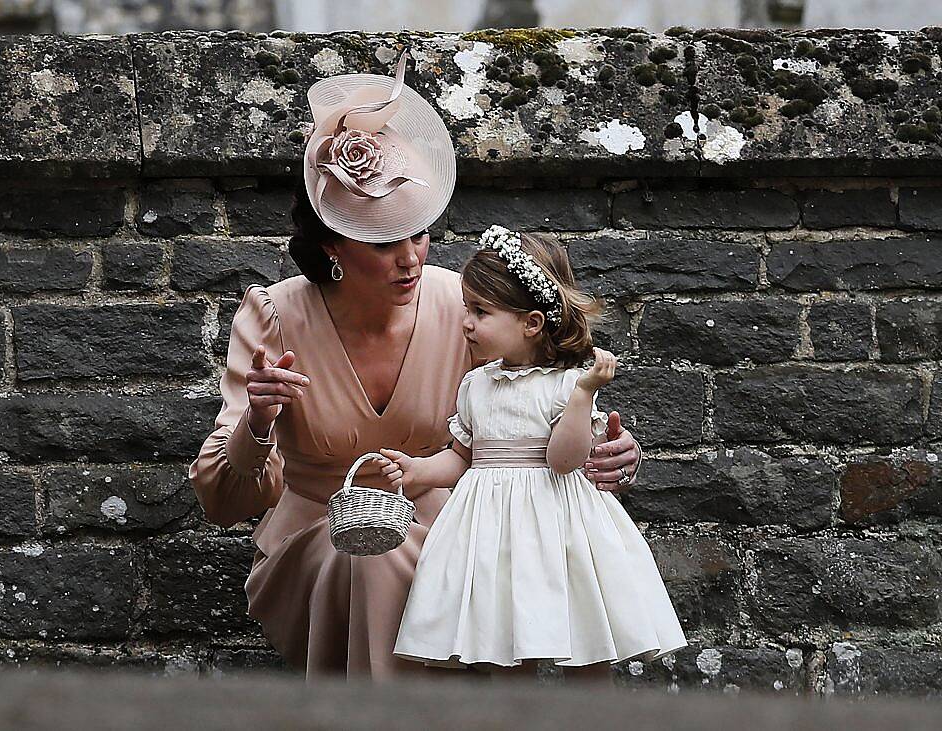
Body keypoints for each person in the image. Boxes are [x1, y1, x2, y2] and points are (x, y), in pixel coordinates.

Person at [189, 53, 645, 681]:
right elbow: (225, 499)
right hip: (323, 539)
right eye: (383, 242)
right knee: (367, 558)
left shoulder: (466, 307)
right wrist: (260, 422)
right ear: (331, 246)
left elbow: (547, 393)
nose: (409, 259)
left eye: (420, 233)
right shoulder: (275, 316)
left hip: (459, 531)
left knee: (465, 566)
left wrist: (611, 447)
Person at [384, 226, 686, 678]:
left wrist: (585, 394)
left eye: (481, 312)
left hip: (560, 528)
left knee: (585, 642)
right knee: (504, 641)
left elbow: (564, 462)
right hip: (491, 533)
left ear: (531, 322)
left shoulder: (566, 386)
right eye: (467, 309)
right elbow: (463, 458)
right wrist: (418, 471)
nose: (466, 322)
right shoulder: (475, 385)